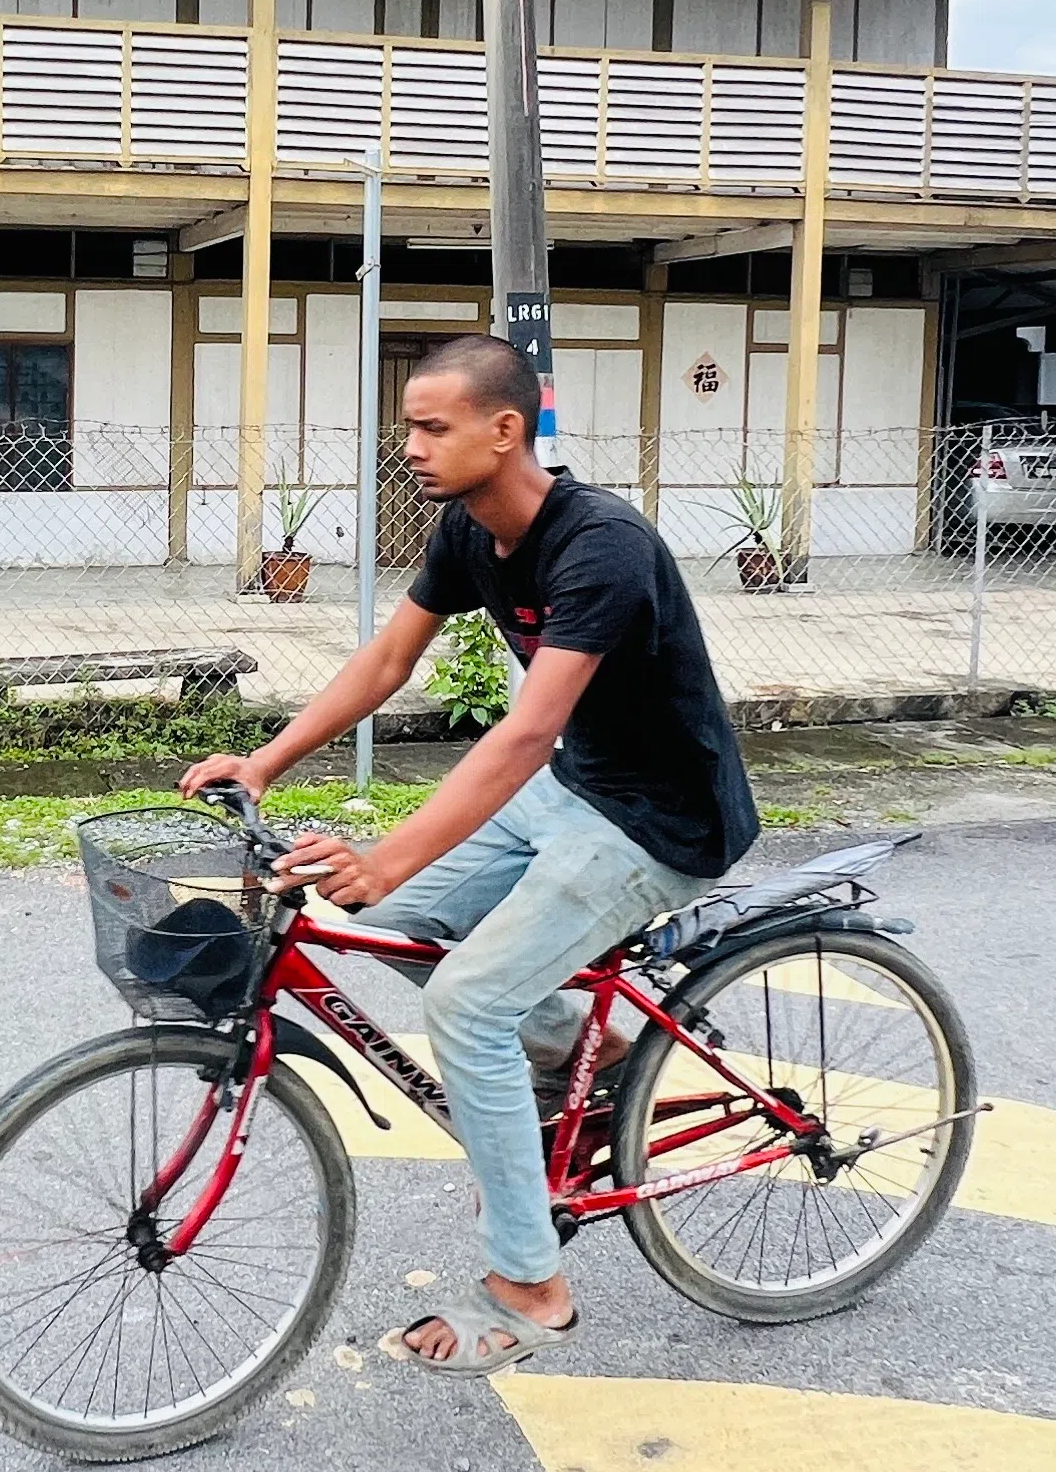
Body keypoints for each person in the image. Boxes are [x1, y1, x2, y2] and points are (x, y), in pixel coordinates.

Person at [180, 332, 755, 1374]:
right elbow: (389, 656)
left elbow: (525, 729)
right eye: (407, 424)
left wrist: (390, 851)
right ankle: (603, 1052)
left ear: (506, 427)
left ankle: (532, 1283)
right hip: (575, 788)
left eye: (431, 425)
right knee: (386, 924)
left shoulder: (601, 545)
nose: (411, 443)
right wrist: (265, 761)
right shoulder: (466, 533)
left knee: (467, 1003)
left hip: (659, 821)